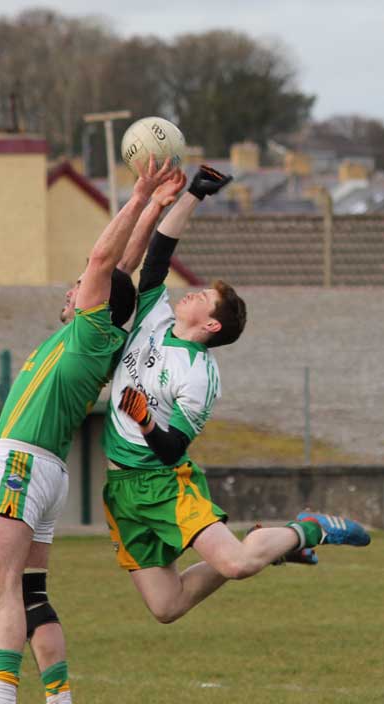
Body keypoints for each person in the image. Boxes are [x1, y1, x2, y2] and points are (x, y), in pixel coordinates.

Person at [102, 165, 371, 624]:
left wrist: (146, 420)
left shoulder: (199, 376)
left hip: (161, 483)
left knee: (237, 564)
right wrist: (194, 195)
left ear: (211, 325)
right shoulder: (155, 316)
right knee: (167, 606)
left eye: (204, 297)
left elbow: (173, 451)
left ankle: (307, 529)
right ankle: (267, 546)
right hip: (121, 489)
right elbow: (159, 255)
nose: (193, 294)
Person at [0, 156, 186, 704]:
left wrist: (138, 196)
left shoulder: (90, 330)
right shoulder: (104, 332)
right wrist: (157, 209)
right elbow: (120, 269)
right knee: (30, 594)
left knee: (0, 590)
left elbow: (103, 259)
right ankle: (60, 698)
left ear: (91, 302)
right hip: (48, 472)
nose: (73, 289)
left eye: (79, 286)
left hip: (20, 463)